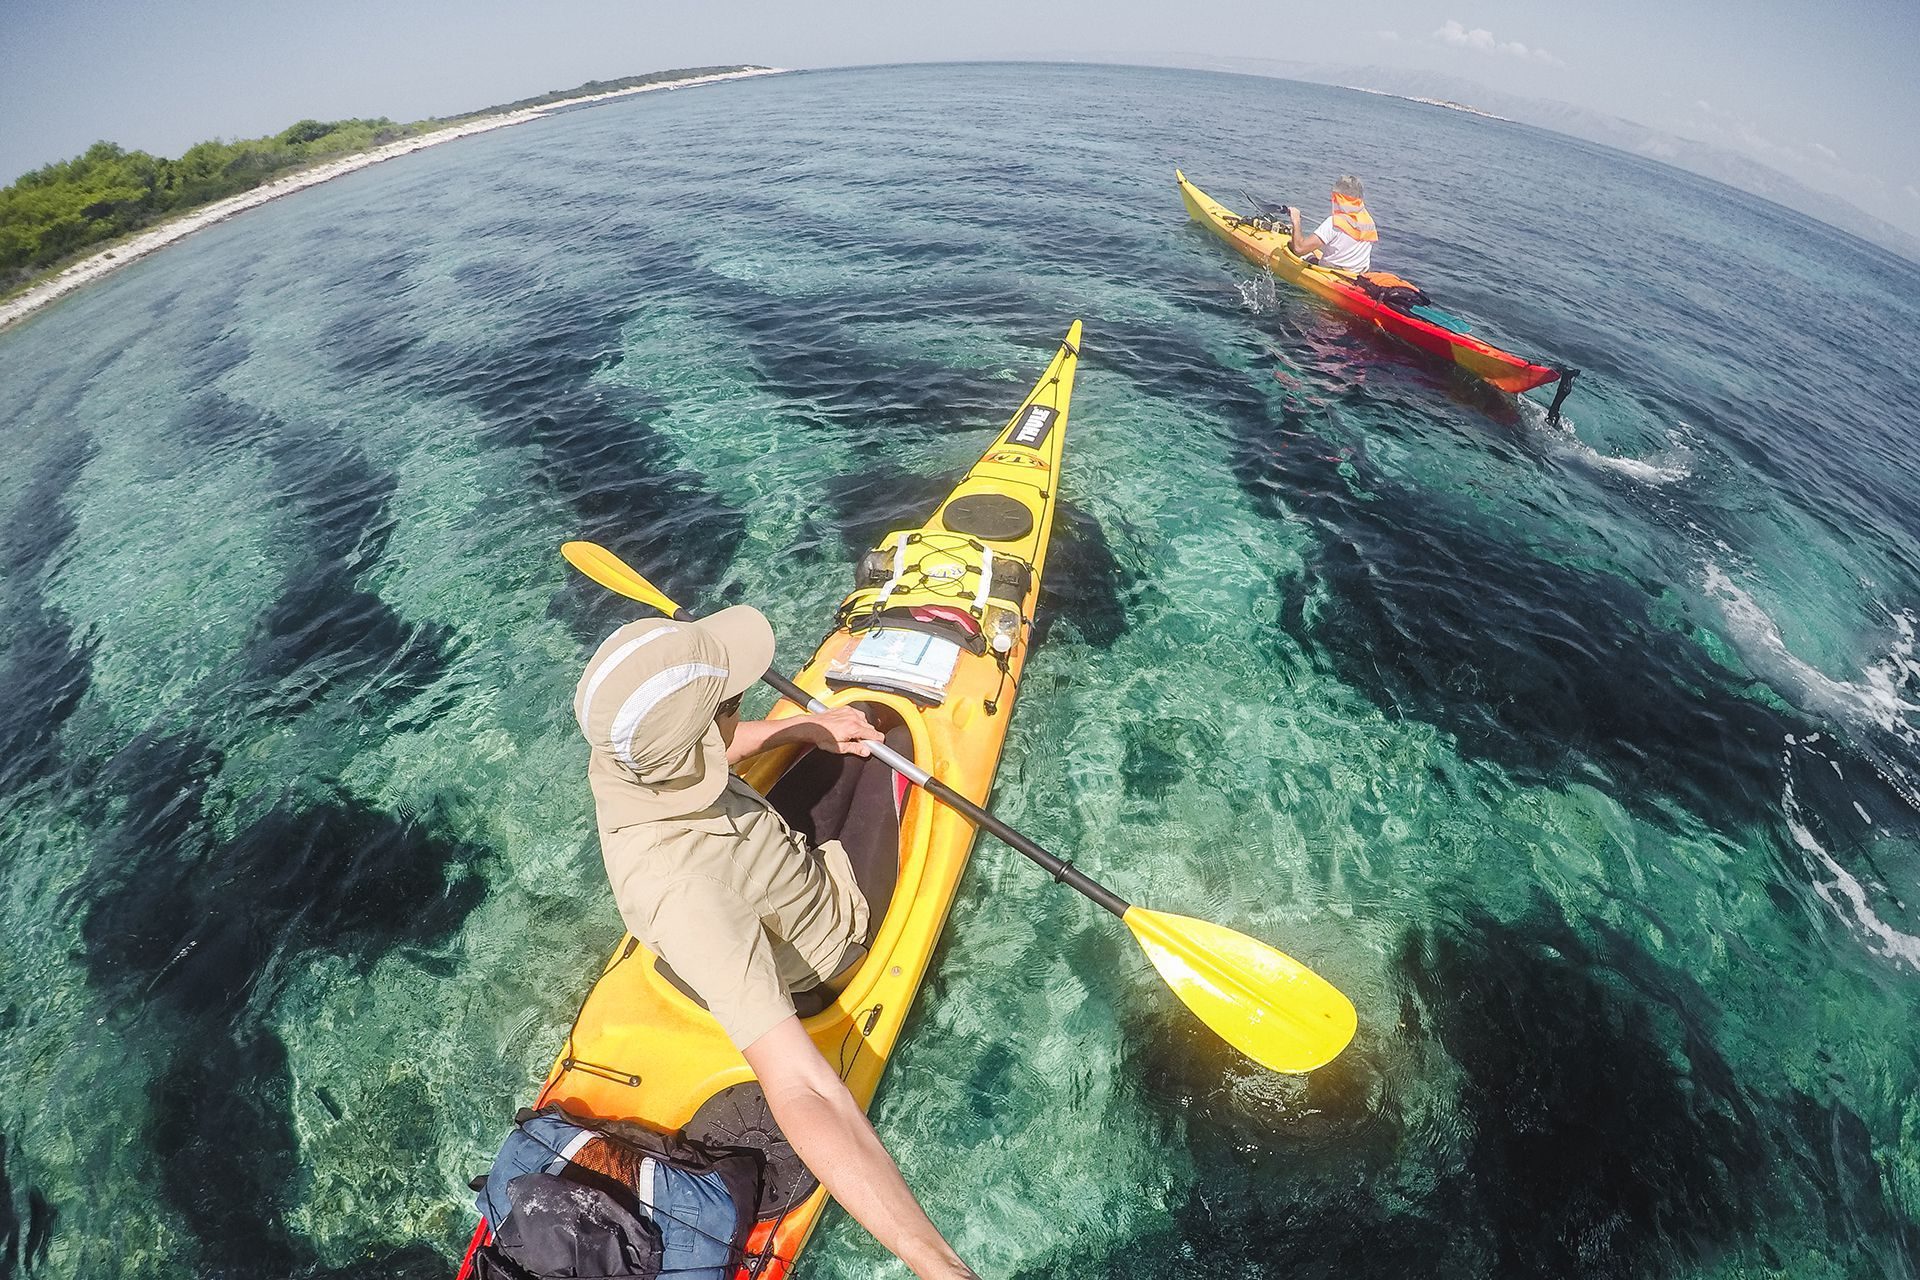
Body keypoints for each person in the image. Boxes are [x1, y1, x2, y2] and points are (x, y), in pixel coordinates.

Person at [573, 607, 980, 1280]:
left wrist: (803, 728)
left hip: (758, 851)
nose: (743, 704)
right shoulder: (684, 892)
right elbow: (802, 1088)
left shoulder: (625, 756)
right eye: (732, 701)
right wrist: (937, 1264)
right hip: (832, 931)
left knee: (857, 734)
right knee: (901, 743)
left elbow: (712, 748)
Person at [1284, 174, 1378, 273]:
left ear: (1338, 198)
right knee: (1313, 253)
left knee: (1296, 248)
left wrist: (1296, 220)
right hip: (1356, 275)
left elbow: (1299, 249)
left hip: (1330, 274)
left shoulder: (1334, 223)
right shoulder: (1369, 222)